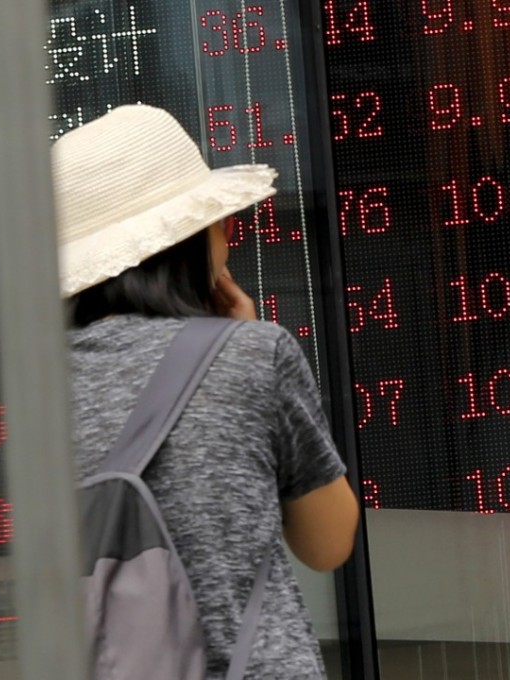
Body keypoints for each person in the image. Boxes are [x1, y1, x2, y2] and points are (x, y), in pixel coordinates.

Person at [54, 104, 359, 678]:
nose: (227, 236)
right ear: (189, 241)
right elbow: (329, 542)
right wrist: (241, 339)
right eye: (218, 221)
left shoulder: (32, 397)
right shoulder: (254, 354)